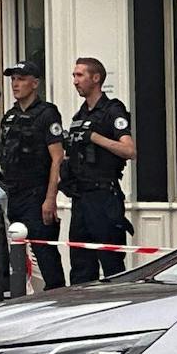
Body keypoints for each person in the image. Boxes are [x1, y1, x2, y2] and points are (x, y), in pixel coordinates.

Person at [62, 57, 137, 283]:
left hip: (104, 197)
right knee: (81, 266)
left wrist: (95, 137)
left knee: (112, 264)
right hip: (80, 197)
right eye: (74, 75)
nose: (75, 81)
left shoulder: (112, 111)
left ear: (96, 79)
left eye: (80, 75)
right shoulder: (79, 116)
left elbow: (129, 150)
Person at [0, 59, 67, 290]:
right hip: (14, 194)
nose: (15, 85)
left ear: (34, 83)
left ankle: (56, 297)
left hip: (37, 194)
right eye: (13, 80)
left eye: (21, 79)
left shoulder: (47, 114)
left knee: (44, 253)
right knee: (15, 253)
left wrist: (50, 199)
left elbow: (57, 157)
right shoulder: (9, 117)